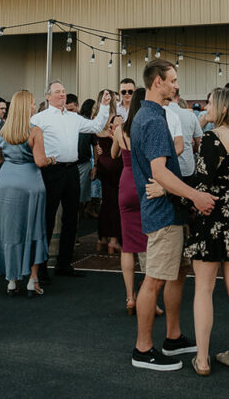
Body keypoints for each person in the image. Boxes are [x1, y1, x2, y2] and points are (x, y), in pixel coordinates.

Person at [130, 59, 216, 371]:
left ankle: (174, 336)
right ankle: (142, 349)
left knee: (176, 274)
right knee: (153, 279)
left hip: (171, 210)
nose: (177, 85)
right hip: (163, 213)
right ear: (157, 83)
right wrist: (195, 195)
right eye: (173, 80)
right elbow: (159, 172)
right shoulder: (152, 120)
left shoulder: (155, 115)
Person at [180, 87, 229, 375]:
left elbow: (201, 184)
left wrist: (168, 189)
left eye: (210, 102)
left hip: (212, 216)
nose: (206, 107)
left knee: (204, 288)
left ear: (223, 108)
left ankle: (202, 358)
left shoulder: (213, 139)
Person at [32, 81, 111, 280]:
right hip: (51, 171)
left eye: (64, 92)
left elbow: (95, 126)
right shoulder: (38, 119)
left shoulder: (74, 118)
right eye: (58, 92)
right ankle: (40, 268)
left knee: (71, 218)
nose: (62, 95)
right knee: (47, 218)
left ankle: (64, 264)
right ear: (48, 96)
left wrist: (104, 106)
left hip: (72, 170)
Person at [0, 90, 51, 296]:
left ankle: (11, 280)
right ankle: (33, 280)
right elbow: (41, 161)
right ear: (27, 107)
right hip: (30, 184)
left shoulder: (2, 131)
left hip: (4, 183)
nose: (34, 106)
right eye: (32, 103)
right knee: (32, 229)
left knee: (9, 231)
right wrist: (52, 160)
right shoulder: (35, 131)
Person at [114, 87, 151, 315]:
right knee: (149, 241)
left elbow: (114, 153)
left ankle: (130, 298)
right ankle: (150, 299)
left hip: (126, 183)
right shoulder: (147, 127)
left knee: (128, 246)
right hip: (144, 182)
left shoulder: (121, 130)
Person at [94, 114, 124, 254]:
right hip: (115, 171)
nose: (119, 126)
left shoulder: (100, 135)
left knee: (106, 204)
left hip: (105, 170)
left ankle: (102, 239)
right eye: (117, 124)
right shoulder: (117, 136)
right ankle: (113, 240)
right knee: (115, 206)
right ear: (111, 125)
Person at [168, 90, 203, 179]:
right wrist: (191, 149)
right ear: (178, 97)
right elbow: (199, 143)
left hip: (166, 168)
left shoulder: (160, 114)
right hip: (186, 167)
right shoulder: (190, 115)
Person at [78, 96, 101, 224]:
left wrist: (95, 166)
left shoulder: (91, 124)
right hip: (81, 162)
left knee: (82, 197)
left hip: (85, 162)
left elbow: (95, 144)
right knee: (80, 199)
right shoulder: (84, 122)